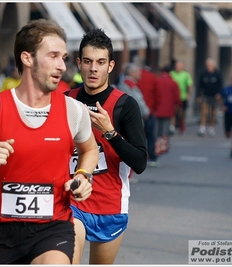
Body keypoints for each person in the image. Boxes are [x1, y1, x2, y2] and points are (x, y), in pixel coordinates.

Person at [0, 19, 99, 264]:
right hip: (1, 232)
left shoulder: (74, 111)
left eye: (64, 58)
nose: (61, 65)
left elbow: (90, 149)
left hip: (54, 227)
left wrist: (83, 175)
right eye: (53, 56)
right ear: (27, 58)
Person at [66, 28, 147, 264]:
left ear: (110, 66)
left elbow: (140, 162)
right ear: (79, 63)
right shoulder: (65, 100)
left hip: (110, 204)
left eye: (100, 62)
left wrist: (110, 133)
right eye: (88, 61)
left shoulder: (124, 105)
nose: (93, 69)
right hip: (71, 200)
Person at [154, 65, 181, 156]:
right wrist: (179, 104)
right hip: (169, 108)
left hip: (157, 108)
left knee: (157, 128)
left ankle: (157, 144)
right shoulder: (173, 82)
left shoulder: (157, 81)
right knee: (165, 127)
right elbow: (177, 97)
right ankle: (164, 144)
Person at [137, 64, 159, 167]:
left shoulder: (137, 78)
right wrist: (154, 107)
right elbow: (157, 93)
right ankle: (152, 156)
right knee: (150, 135)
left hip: (137, 110)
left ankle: (140, 156)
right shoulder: (151, 76)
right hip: (149, 110)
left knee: (138, 135)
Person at [197, 58, 223, 137]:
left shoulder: (217, 74)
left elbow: (220, 85)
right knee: (204, 111)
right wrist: (199, 96)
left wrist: (219, 94)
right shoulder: (203, 73)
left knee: (213, 112)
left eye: (210, 66)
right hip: (205, 94)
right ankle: (202, 128)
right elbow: (200, 85)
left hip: (214, 95)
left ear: (213, 66)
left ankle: (211, 128)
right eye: (207, 66)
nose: (209, 67)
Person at [170, 60, 194, 135]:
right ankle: (172, 127)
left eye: (178, 66)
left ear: (182, 67)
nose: (177, 67)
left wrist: (189, 94)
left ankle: (182, 127)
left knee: (181, 113)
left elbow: (189, 85)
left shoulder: (185, 74)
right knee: (173, 112)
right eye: (176, 66)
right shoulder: (172, 74)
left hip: (182, 97)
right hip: (173, 97)